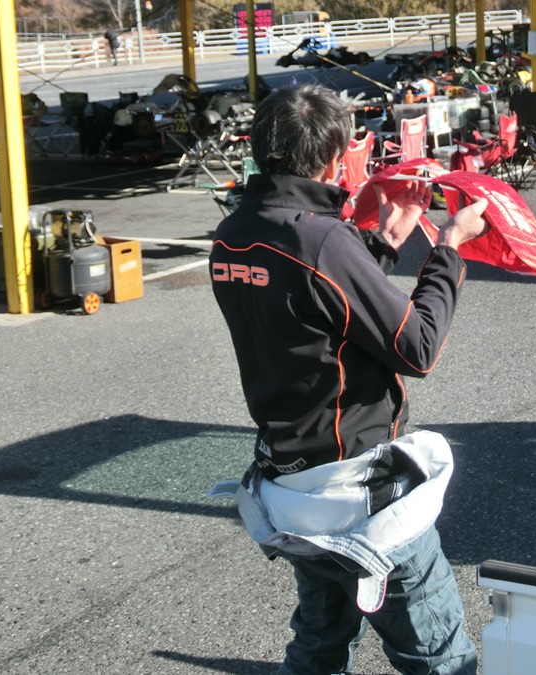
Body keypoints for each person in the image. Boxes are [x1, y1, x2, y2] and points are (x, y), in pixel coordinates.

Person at [209, 84, 488, 675]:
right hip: (358, 490)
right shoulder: (322, 239)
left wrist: (381, 246)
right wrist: (448, 248)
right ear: (337, 156)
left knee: (320, 642)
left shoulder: (233, 232)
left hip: (289, 481)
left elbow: (310, 312)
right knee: (438, 655)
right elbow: (416, 348)